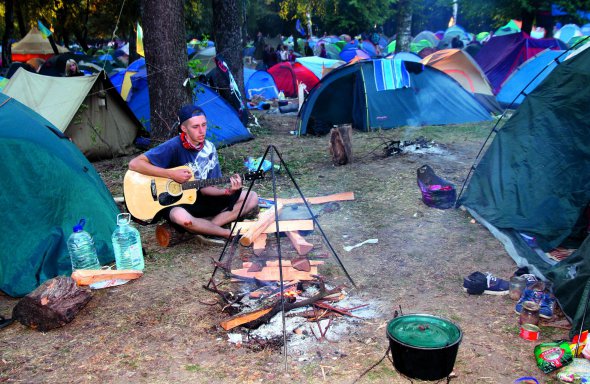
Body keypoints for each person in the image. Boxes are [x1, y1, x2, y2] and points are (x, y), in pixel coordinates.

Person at [128, 105, 259, 239]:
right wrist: (171, 174)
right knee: (181, 218)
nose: (202, 131)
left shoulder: (209, 148)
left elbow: (206, 188)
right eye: (195, 127)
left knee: (252, 197)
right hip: (175, 202)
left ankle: (207, 227)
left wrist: (227, 192)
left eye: (204, 125)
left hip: (199, 199)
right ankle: (225, 233)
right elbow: (134, 164)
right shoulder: (173, 146)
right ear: (184, 128)